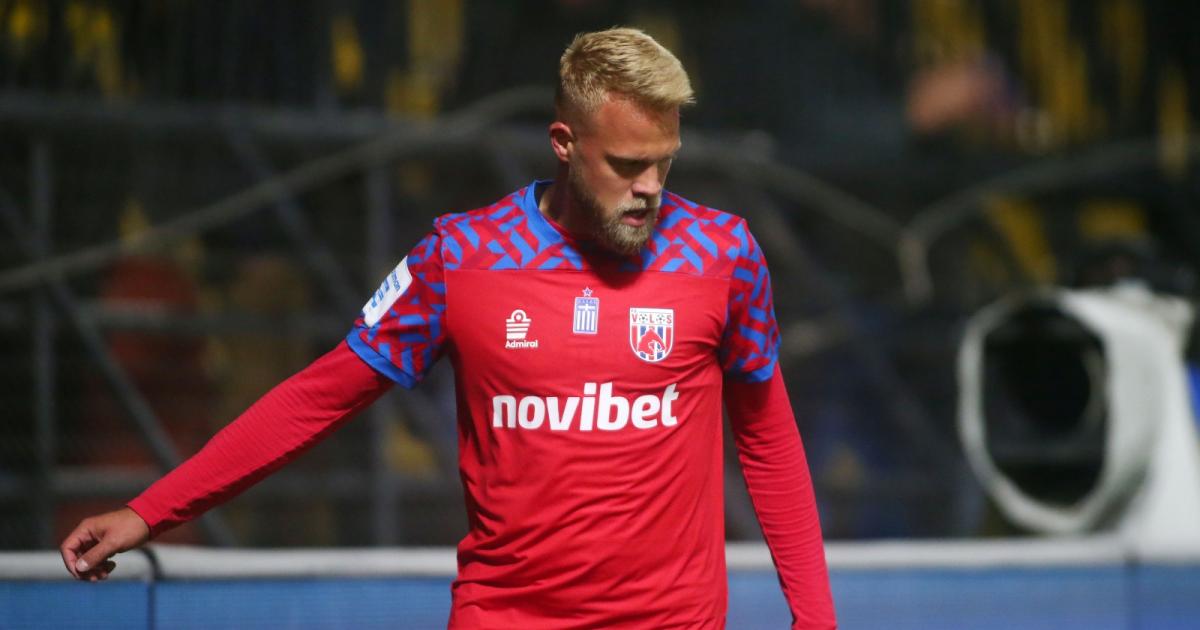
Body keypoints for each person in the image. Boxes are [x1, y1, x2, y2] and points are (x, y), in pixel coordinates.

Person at [60, 27, 837, 629]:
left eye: (665, 162)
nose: (651, 188)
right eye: (628, 165)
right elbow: (320, 396)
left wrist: (816, 619)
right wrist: (151, 510)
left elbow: (768, 439)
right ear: (564, 144)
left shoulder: (722, 254)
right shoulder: (461, 257)